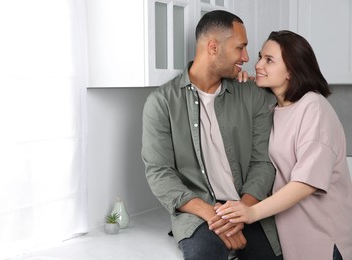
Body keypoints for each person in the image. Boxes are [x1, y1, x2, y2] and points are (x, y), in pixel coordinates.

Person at [141, 10, 283, 260]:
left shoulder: (251, 95)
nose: (247, 57)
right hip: (198, 213)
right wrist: (212, 214)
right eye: (241, 48)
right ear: (214, 47)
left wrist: (241, 212)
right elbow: (159, 172)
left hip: (248, 204)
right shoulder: (161, 102)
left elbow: (262, 163)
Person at [213, 30, 352, 260]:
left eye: (269, 60)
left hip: (324, 240)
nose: (258, 64)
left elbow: (305, 183)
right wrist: (243, 85)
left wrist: (251, 212)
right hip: (293, 239)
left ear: (291, 70)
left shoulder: (313, 108)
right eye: (260, 57)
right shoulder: (275, 108)